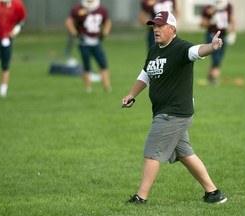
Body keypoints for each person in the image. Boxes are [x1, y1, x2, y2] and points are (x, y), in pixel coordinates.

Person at [122, 11, 227, 204]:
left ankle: (141, 197)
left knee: (152, 151)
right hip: (165, 111)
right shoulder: (154, 50)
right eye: (154, 26)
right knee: (185, 153)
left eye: (160, 26)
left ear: (172, 29)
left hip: (174, 112)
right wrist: (131, 94)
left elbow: (196, 51)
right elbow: (145, 74)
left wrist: (212, 47)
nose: (156, 30)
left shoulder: (180, 48)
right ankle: (214, 193)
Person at [65, 0, 112, 93]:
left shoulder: (101, 9)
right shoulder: (78, 9)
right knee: (86, 65)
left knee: (103, 63)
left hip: (96, 41)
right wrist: (75, 33)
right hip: (84, 42)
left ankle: (107, 87)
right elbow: (69, 22)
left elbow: (107, 21)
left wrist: (105, 31)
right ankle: (88, 88)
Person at [200, 0, 236, 85]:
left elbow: (232, 19)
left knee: (219, 57)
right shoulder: (208, 7)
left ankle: (210, 77)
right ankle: (214, 78)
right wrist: (211, 22)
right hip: (212, 35)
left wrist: (233, 33)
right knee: (216, 57)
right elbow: (202, 24)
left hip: (223, 35)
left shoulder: (228, 6)